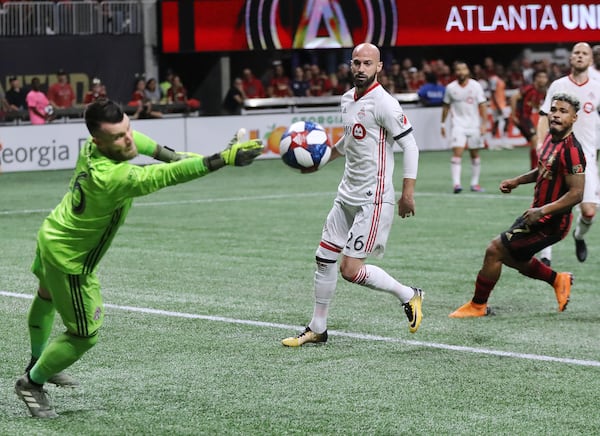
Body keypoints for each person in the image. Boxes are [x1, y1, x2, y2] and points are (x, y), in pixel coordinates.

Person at [13, 99, 263, 418]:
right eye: (119, 137)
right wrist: (220, 160)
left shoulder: (96, 147)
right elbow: (166, 176)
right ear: (98, 142)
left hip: (52, 232)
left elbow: (156, 151)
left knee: (45, 297)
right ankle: (32, 383)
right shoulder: (113, 178)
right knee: (84, 335)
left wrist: (209, 157)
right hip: (70, 260)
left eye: (127, 128)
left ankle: (39, 360)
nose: (129, 138)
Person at [281, 43, 424, 347]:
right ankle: (317, 328)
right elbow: (349, 141)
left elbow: (411, 146)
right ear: (350, 65)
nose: (361, 69)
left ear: (379, 67)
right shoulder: (347, 99)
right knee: (323, 258)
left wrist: (407, 193)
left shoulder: (384, 103)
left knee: (350, 270)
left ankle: (408, 294)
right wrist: (321, 162)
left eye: (367, 64)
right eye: (356, 63)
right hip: (346, 195)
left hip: (373, 200)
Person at [449, 92, 585, 318]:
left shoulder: (572, 151)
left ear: (574, 118)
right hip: (536, 215)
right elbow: (543, 168)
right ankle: (557, 279)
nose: (556, 115)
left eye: (563, 112)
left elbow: (577, 193)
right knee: (514, 257)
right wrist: (517, 181)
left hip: (551, 222)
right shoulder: (552, 139)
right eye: (554, 110)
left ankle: (478, 305)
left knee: (495, 250)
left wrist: (543, 210)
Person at [536, 42, 600, 266]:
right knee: (551, 206)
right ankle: (545, 255)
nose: (580, 56)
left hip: (587, 158)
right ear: (571, 58)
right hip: (557, 155)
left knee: (589, 212)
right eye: (576, 53)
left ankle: (579, 236)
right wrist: (540, 146)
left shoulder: (598, 85)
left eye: (585, 53)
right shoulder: (559, 85)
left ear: (590, 60)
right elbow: (544, 116)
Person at [441, 61, 488, 193]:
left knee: (474, 154)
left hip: (474, 125)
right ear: (455, 72)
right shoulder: (450, 88)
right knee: (457, 153)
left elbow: (483, 105)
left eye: (463, 69)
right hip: (458, 125)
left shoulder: (476, 86)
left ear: (468, 71)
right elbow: (446, 106)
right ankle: (456, 184)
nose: (461, 72)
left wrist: (484, 123)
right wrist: (443, 124)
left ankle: (474, 184)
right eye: (458, 70)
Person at [510, 69, 549, 170]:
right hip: (521, 117)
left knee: (536, 141)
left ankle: (535, 167)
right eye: (540, 77)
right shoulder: (529, 88)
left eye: (545, 77)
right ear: (536, 79)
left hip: (527, 118)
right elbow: (514, 97)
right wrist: (513, 115)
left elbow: (535, 105)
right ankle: (534, 168)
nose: (543, 79)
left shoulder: (541, 91)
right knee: (535, 139)